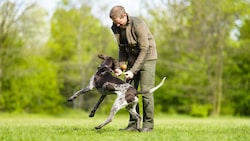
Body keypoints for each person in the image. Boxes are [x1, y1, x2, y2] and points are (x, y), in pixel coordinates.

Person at [109, 5, 158, 132]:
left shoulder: (138, 24)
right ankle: (133, 125)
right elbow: (122, 48)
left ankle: (148, 126)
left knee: (146, 92)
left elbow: (144, 49)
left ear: (125, 16)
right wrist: (120, 67)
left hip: (148, 58)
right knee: (129, 92)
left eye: (118, 22)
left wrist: (132, 70)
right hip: (132, 59)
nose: (117, 26)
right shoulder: (115, 27)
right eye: (115, 23)